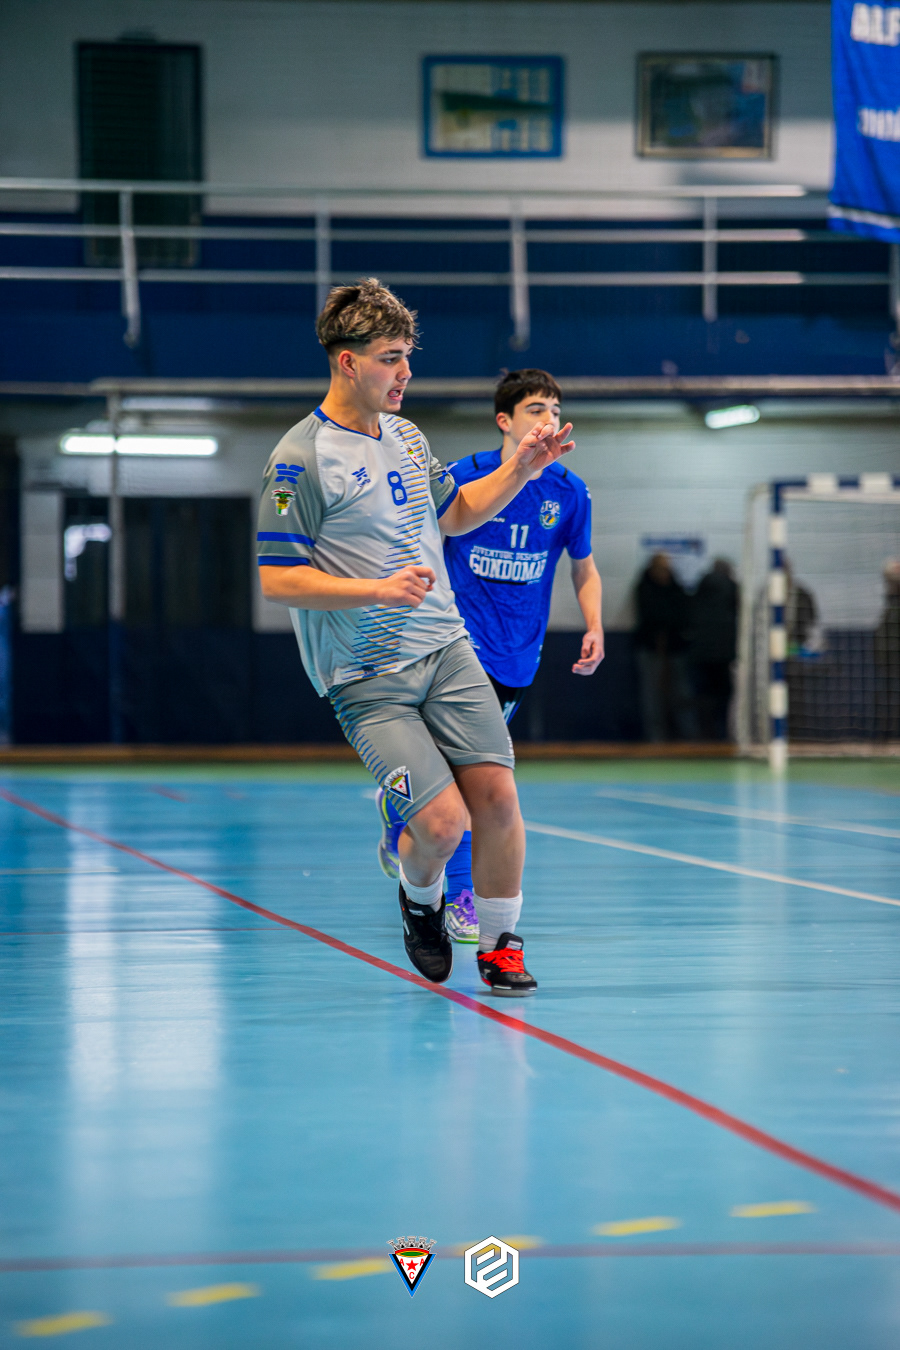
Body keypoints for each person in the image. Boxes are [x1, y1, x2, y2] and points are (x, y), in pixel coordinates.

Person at [256, 278, 575, 996]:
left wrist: (522, 467)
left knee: (498, 799)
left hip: (447, 649)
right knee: (440, 823)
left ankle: (500, 945)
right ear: (348, 363)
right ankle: (420, 898)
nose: (405, 372)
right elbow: (278, 579)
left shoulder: (406, 437)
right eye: (390, 358)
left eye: (407, 356)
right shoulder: (299, 459)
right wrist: (374, 589)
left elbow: (455, 514)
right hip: (367, 677)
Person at [376, 369, 603, 944]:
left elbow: (584, 567)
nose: (548, 419)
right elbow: (418, 542)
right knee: (473, 782)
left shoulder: (569, 493)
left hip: (517, 659)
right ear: (505, 420)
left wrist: (595, 624)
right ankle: (461, 898)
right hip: (455, 647)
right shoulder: (463, 479)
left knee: (454, 778)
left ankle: (399, 808)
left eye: (555, 409)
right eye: (535, 409)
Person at [634, 552, 696, 742]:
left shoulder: (676, 588)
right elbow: (652, 616)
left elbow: (683, 615)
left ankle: (688, 736)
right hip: (651, 648)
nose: (664, 572)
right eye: (661, 568)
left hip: (675, 648)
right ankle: (656, 737)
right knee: (652, 695)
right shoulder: (645, 588)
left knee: (681, 693)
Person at [688, 558, 738, 741]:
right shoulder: (733, 589)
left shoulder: (700, 588)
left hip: (700, 654)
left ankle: (704, 735)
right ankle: (722, 734)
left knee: (703, 697)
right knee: (723, 697)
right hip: (724, 655)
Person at [874, 558, 900, 739]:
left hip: (893, 662)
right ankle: (887, 737)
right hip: (889, 665)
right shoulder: (890, 607)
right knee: (887, 701)